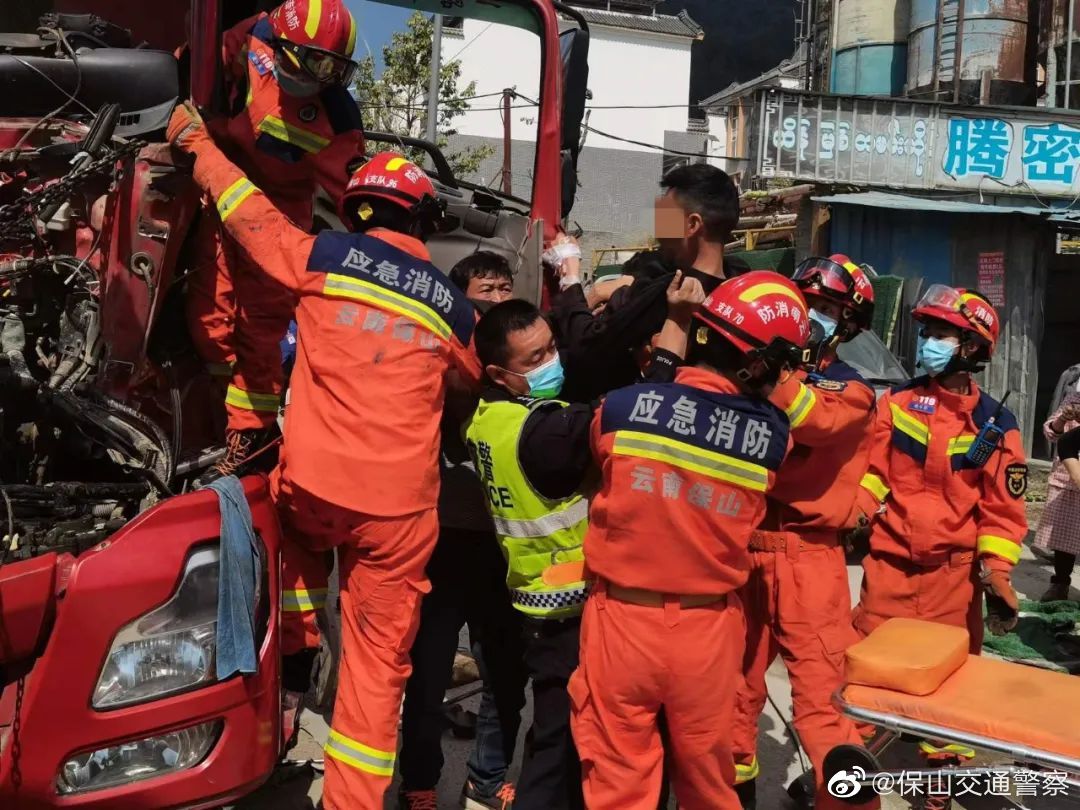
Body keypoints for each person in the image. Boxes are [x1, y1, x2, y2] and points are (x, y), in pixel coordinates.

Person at [171, 102, 482, 807]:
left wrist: (196, 142)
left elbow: (248, 215)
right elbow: (467, 377)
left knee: (290, 547)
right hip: (397, 517)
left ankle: (293, 668)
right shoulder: (453, 307)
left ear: (357, 209)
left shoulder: (323, 255)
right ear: (423, 223)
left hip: (311, 489)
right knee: (377, 674)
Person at [570, 271, 811, 810]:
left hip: (620, 622)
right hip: (707, 631)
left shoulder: (618, 409)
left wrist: (674, 324)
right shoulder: (771, 438)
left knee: (616, 782)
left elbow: (646, 414)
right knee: (708, 782)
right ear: (761, 366)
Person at [852, 285, 1027, 810]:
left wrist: (997, 574)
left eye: (940, 334)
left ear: (972, 348)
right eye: (927, 332)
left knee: (948, 689)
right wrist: (854, 512)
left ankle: (939, 791)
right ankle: (847, 779)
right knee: (867, 678)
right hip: (888, 569)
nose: (927, 342)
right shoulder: (899, 403)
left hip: (952, 581)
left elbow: (1001, 510)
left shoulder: (997, 425)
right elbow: (875, 473)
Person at [186, 0, 366, 481]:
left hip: (275, 223)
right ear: (280, 41)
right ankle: (208, 423)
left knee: (261, 335)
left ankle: (252, 439)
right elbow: (200, 68)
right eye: (311, 63)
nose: (319, 78)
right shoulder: (250, 39)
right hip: (219, 197)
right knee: (210, 318)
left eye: (333, 70)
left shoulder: (337, 123)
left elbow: (358, 200)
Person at [729, 256, 879, 810]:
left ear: (849, 322)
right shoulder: (750, 374)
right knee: (732, 693)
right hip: (742, 547)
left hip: (807, 557)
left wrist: (769, 369)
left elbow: (812, 416)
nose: (811, 315)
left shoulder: (851, 390)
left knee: (824, 700)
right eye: (804, 302)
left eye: (826, 308)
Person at [398, 251, 525, 810]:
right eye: (485, 290)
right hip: (442, 540)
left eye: (504, 288)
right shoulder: (441, 360)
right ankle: (420, 784)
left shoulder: (522, 364)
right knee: (427, 677)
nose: (497, 298)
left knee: (504, 676)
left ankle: (487, 777)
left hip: (502, 545)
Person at [464, 299, 596, 810]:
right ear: (500, 371)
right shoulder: (547, 430)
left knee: (553, 730)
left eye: (553, 348)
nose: (551, 363)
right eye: (535, 358)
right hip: (569, 606)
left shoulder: (487, 419)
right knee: (558, 744)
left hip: (533, 599)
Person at [554, 164, 741, 402]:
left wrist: (570, 276)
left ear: (692, 225)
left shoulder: (670, 293)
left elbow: (588, 346)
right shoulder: (739, 289)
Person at [1034, 389, 1080, 602]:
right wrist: (1064, 417)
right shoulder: (1073, 399)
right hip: (1067, 479)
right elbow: (1052, 433)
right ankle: (1060, 584)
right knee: (1064, 540)